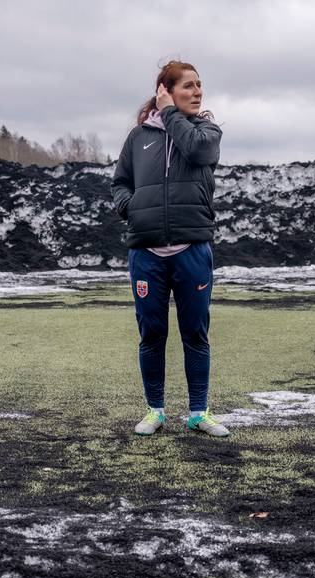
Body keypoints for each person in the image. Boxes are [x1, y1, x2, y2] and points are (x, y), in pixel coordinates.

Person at [110, 60, 229, 438]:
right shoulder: (138, 139)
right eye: (188, 86)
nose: (197, 92)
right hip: (147, 252)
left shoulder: (206, 131)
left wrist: (167, 112)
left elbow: (194, 149)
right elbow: (120, 184)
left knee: (195, 333)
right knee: (153, 334)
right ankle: (155, 410)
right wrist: (132, 209)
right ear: (167, 88)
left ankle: (199, 413)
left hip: (191, 249)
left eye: (199, 86)